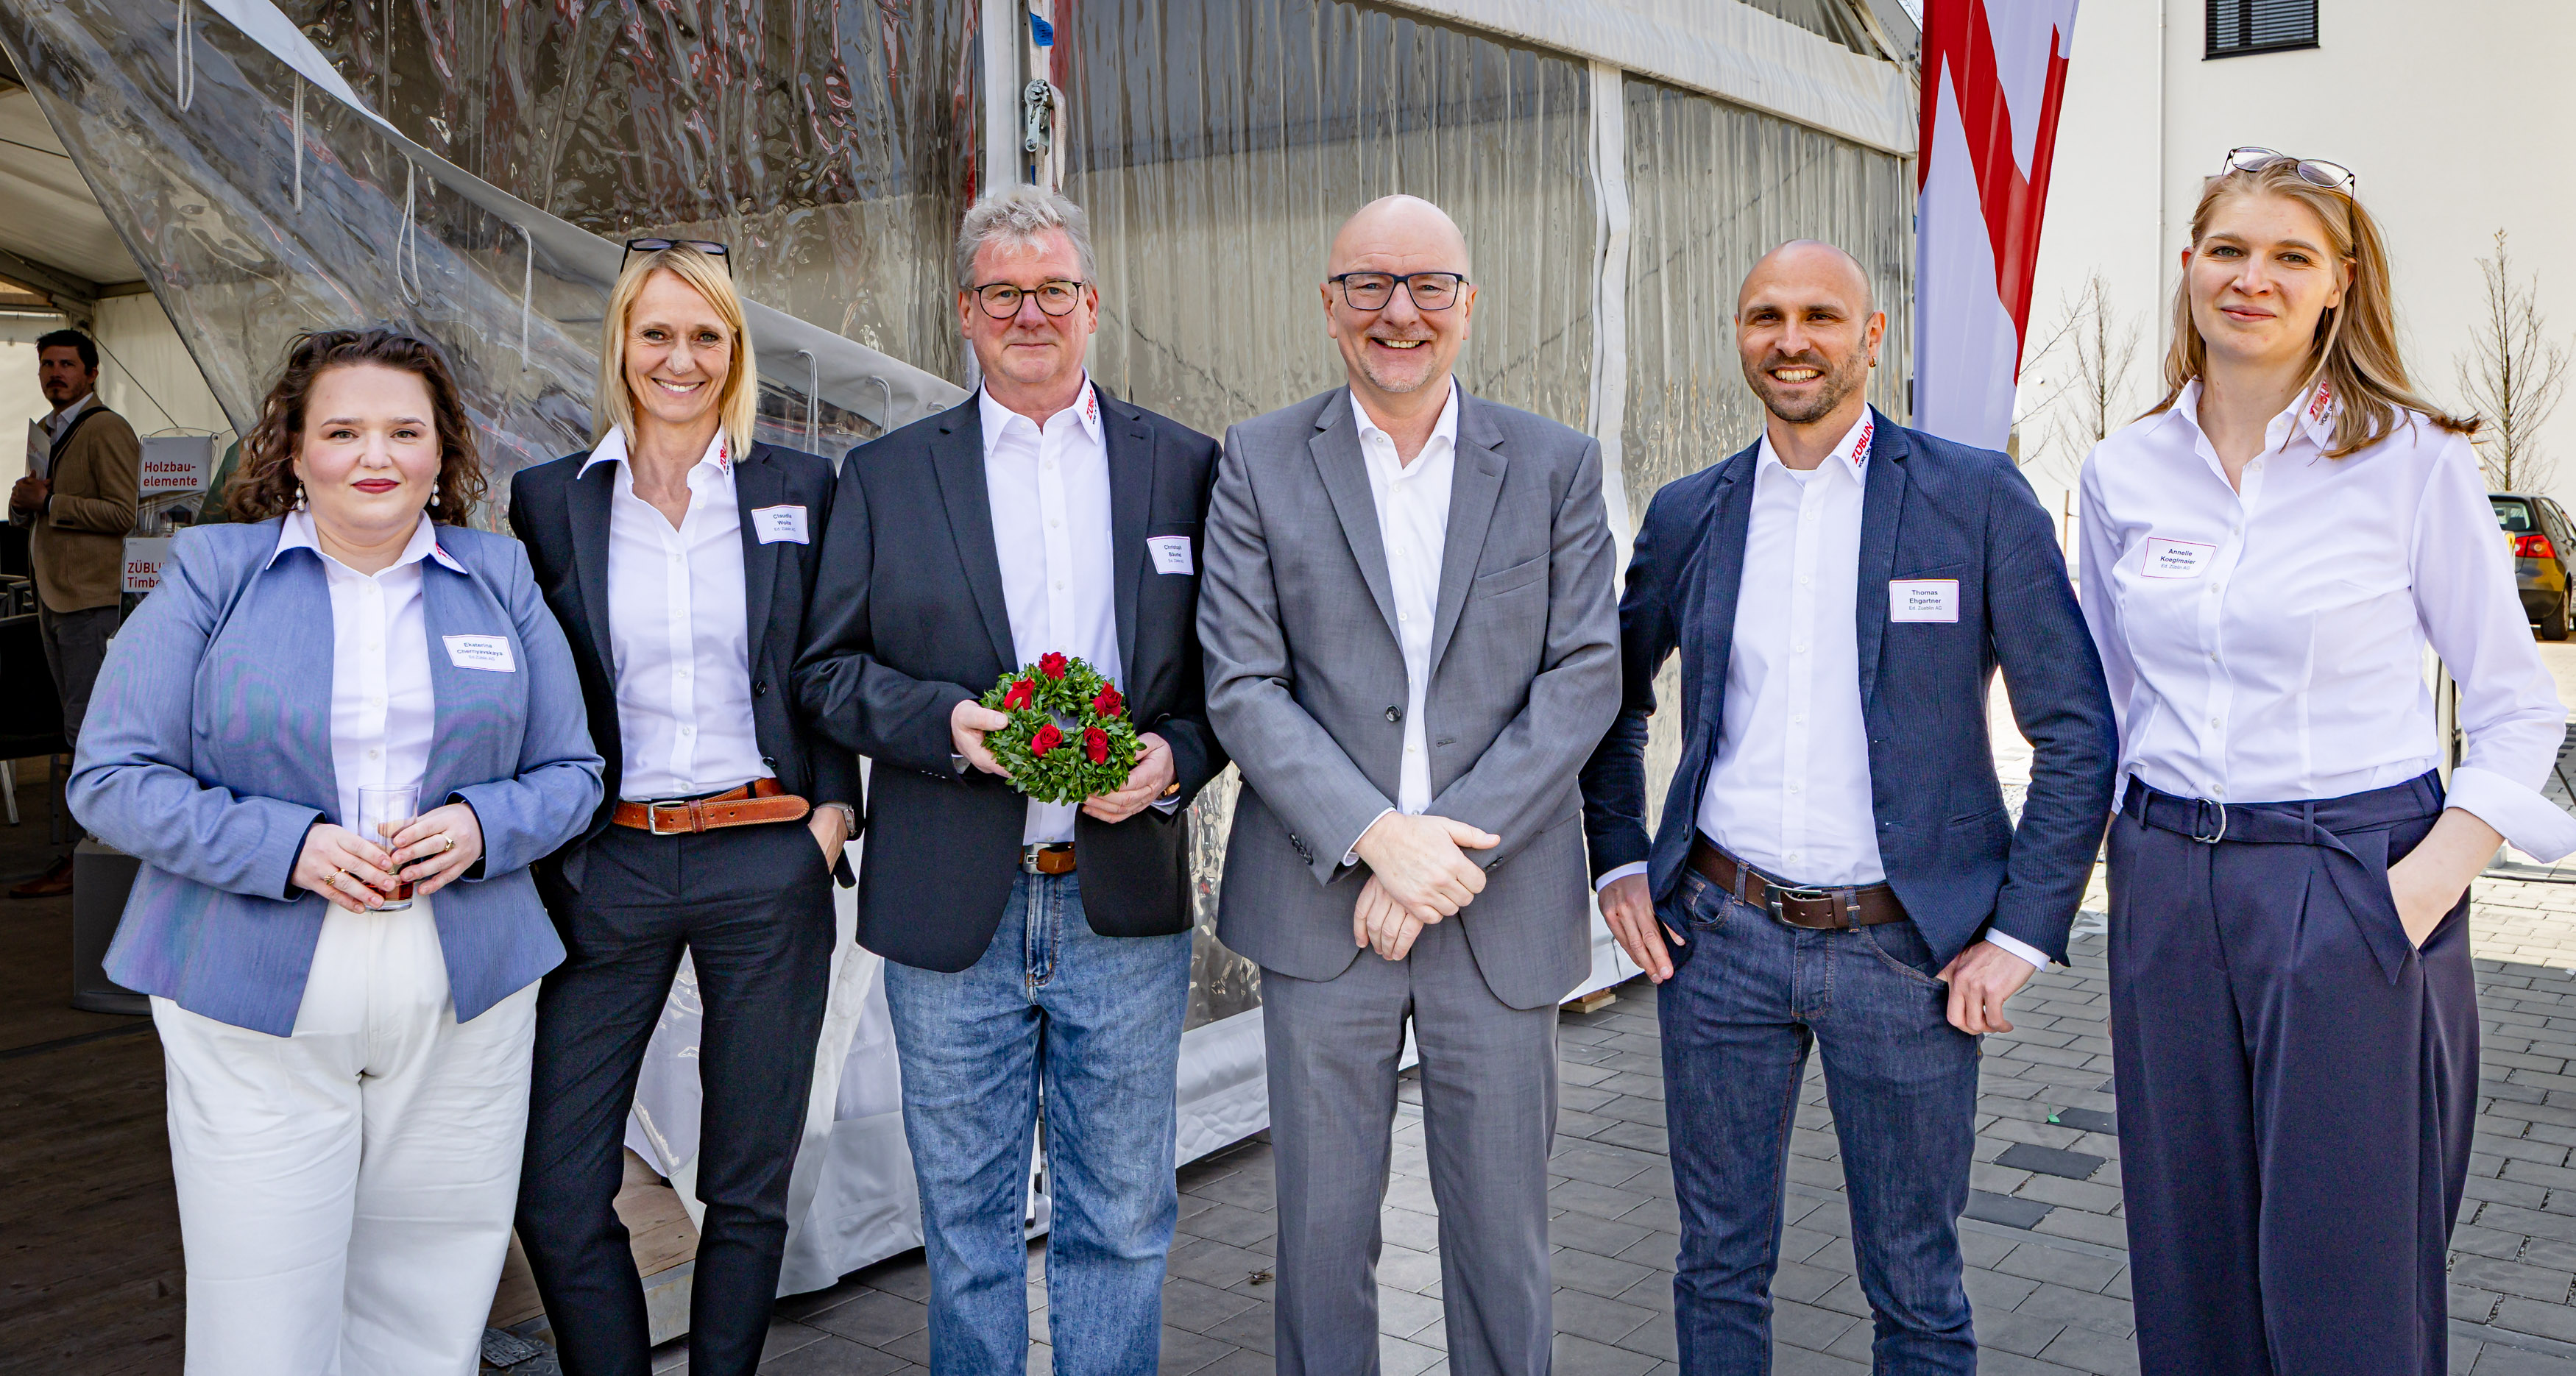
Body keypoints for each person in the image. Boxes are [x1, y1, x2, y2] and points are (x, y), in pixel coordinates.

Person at [2078, 149, 2576, 1376]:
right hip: (2166, 886)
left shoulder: (2412, 463)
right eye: (2231, 250)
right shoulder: (2121, 472)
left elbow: (2520, 714)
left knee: (2348, 1276)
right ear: (2190, 266)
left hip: (2354, 878)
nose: (2255, 278)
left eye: (2291, 256)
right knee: (2187, 1265)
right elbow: (2105, 704)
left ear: (2341, 286)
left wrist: (2411, 894)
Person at [1580, 241, 2117, 1374]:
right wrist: (1620, 860)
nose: (1792, 338)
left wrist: (2017, 936)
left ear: (1871, 339)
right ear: (1740, 336)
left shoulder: (1972, 497)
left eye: (1822, 314)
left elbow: (2076, 730)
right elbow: (1608, 705)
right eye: (1765, 314)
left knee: (1918, 1284)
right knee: (1717, 1263)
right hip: (1718, 939)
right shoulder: (1693, 513)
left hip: (1908, 953)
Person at [66, 328, 602, 1373]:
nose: (376, 456)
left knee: (434, 1296)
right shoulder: (214, 572)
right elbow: (113, 776)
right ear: (295, 449)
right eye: (344, 430)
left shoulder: (498, 574)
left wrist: (484, 825)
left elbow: (573, 773)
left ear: (444, 452)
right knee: (263, 1308)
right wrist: (290, 845)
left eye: (406, 431)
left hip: (464, 985)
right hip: (249, 977)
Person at [794, 185, 1225, 1376]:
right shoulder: (884, 476)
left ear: (1091, 306)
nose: (1027, 313)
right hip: (950, 914)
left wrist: (1174, 757)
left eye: (1051, 291)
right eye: (1001, 293)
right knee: (969, 1232)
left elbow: (1230, 679)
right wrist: (949, 723)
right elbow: (826, 674)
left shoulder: (1184, 467)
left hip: (1121, 902)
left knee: (1122, 1221)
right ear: (964, 314)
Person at [1195, 194, 1618, 1375]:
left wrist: (1442, 853)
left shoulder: (1554, 466)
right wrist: (1380, 835)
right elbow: (1242, 683)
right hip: (1322, 907)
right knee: (1321, 1249)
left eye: (1429, 284)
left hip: (1499, 909)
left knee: (1503, 1250)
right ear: (1331, 307)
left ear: (1469, 304)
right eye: (1370, 285)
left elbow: (1583, 678)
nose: (1400, 311)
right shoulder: (1260, 460)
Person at [507, 240, 860, 1376]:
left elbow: (835, 657)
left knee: (746, 1180)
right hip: (609, 861)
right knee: (557, 1184)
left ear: (735, 349)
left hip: (768, 854)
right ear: (620, 342)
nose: (681, 357)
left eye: (706, 334)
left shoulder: (801, 488)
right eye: (657, 332)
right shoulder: (551, 499)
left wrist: (831, 818)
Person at [11, 327, 141, 898]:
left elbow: (124, 512)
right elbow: (37, 511)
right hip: (57, 595)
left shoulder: (106, 428)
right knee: (75, 725)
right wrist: (21, 506)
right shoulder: (47, 431)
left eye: (66, 364)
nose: (54, 374)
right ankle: (89, 847)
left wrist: (51, 503)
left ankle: (98, 849)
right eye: (47, 365)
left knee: (91, 728)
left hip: (90, 599)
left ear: (91, 374)